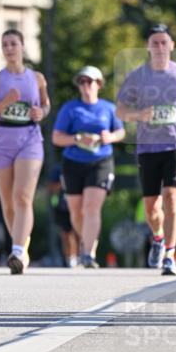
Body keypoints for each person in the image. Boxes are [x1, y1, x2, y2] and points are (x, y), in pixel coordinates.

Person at [116, 23, 176, 277]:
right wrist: (138, 115)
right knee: (151, 207)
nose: (159, 47)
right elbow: (120, 109)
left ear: (172, 46)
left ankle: (169, 254)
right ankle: (157, 237)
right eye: (154, 42)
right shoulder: (137, 76)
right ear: (148, 46)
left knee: (171, 198)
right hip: (147, 148)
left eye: (163, 42)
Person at [0, 29, 50, 274]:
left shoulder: (36, 78)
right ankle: (22, 247)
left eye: (13, 44)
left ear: (22, 46)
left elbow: (45, 104)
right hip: (2, 140)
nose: (9, 48)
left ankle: (17, 249)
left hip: (29, 138)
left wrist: (42, 113)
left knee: (22, 197)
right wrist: (4, 103)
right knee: (8, 202)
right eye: (5, 44)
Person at [52, 65, 124, 268]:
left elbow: (120, 132)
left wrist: (110, 137)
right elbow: (56, 138)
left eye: (89, 81)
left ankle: (88, 253)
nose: (85, 86)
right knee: (76, 210)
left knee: (91, 207)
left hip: (100, 161)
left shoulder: (109, 108)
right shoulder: (70, 109)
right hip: (73, 162)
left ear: (99, 84)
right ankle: (85, 243)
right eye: (82, 82)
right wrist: (76, 139)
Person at [46, 164, 80, 268]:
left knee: (78, 233)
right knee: (66, 234)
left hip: (78, 206)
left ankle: (80, 257)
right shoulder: (59, 168)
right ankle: (69, 259)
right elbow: (50, 187)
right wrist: (62, 184)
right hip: (62, 207)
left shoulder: (83, 166)